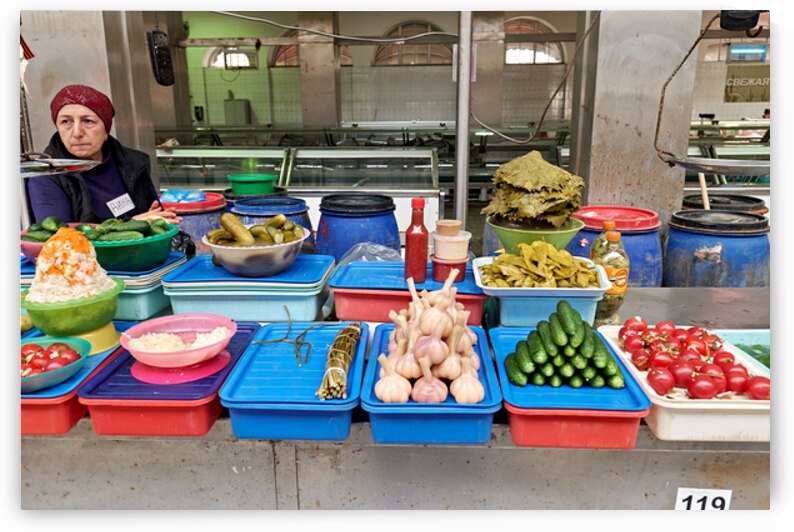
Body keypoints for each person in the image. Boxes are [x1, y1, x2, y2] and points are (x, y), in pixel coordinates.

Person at [26, 84, 181, 225]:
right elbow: (60, 241)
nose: (77, 133)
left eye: (88, 121)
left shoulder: (133, 163)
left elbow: (156, 219)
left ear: (106, 130)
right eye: (66, 122)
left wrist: (160, 220)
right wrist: (131, 225)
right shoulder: (46, 176)